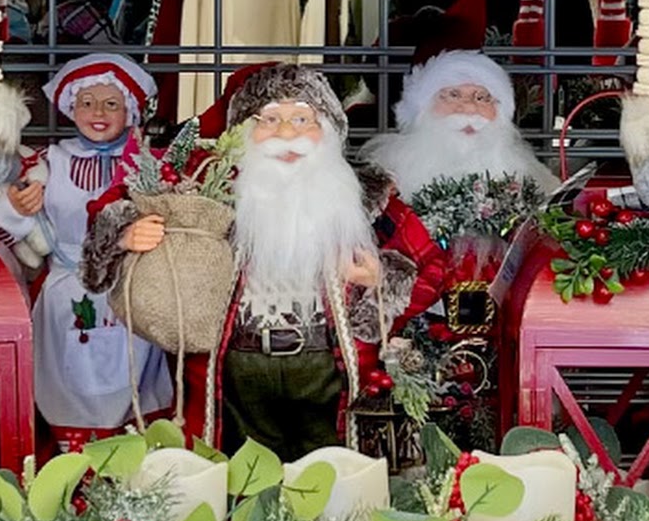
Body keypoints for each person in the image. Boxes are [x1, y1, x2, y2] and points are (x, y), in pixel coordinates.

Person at [84, 64, 446, 460]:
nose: (286, 133)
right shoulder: (204, 186)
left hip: (331, 372)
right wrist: (125, 233)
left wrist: (382, 279)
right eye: (270, 119)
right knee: (235, 476)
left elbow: (431, 267)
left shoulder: (367, 196)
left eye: (302, 119)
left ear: (328, 128)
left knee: (334, 478)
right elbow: (117, 203)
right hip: (231, 372)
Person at [0, 53, 171, 445]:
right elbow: (1, 226)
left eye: (111, 104)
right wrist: (18, 207)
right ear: (71, 107)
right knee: (67, 387)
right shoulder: (49, 161)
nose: (98, 112)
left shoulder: (149, 162)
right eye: (87, 102)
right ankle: (71, 458)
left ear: (131, 111)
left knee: (133, 381)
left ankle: (135, 456)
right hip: (68, 291)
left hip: (131, 289)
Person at [361, 50, 551, 204]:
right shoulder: (390, 169)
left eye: (482, 98)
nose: (469, 109)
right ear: (424, 106)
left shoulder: (529, 175)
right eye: (453, 95)